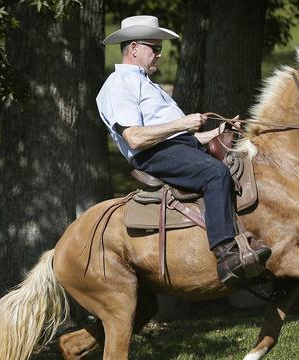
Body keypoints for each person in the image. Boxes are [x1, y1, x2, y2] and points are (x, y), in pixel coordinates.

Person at [96, 15, 270, 284]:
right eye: (154, 49)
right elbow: (134, 137)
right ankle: (226, 254)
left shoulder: (147, 84)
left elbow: (179, 137)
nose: (159, 55)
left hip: (175, 148)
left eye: (159, 49)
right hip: (152, 155)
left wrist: (217, 132)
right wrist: (183, 122)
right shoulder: (118, 85)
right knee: (215, 174)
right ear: (134, 48)